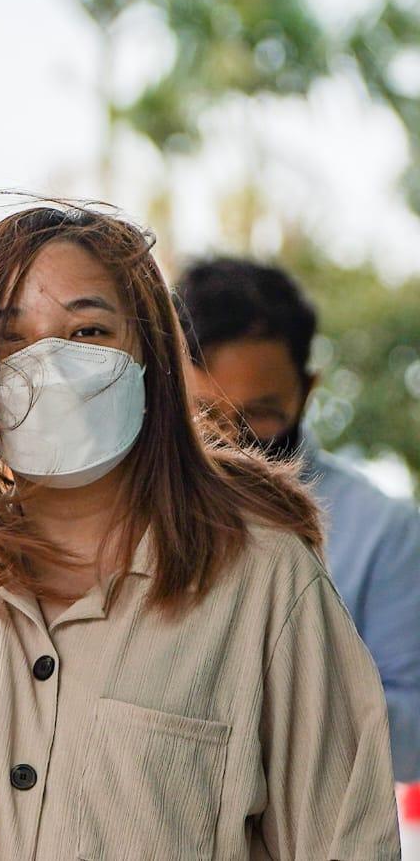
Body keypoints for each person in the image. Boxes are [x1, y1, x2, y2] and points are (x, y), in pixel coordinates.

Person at [0, 186, 400, 860]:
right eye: (11, 338)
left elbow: (345, 844)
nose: (50, 364)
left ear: (151, 360)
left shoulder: (268, 584)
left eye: (88, 331)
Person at [176, 255, 420, 783]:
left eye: (259, 414)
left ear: (308, 390)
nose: (232, 442)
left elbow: (414, 741)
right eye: (205, 415)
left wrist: (301, 689)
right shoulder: (127, 511)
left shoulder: (384, 531)